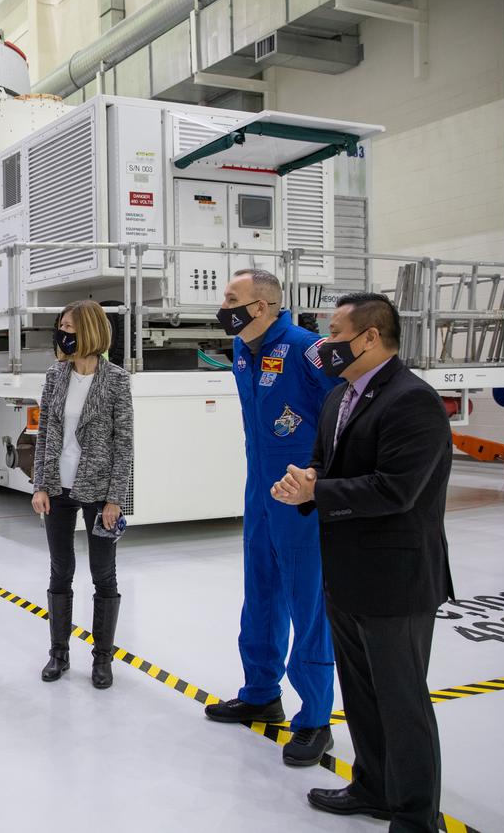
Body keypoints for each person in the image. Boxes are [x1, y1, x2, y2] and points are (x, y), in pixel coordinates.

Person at [272, 293, 453, 831]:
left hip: (395, 579)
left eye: (335, 332)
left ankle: (417, 816)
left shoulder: (412, 400)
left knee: (403, 703)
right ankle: (374, 789)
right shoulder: (339, 397)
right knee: (363, 694)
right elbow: (323, 465)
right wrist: (302, 485)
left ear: (370, 337)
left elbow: (396, 490)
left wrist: (318, 489)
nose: (325, 343)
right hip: (347, 573)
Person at [204, 268, 339, 767]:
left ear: (261, 306)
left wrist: (321, 478)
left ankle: (316, 719)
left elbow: (344, 411)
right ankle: (261, 691)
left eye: (231, 298)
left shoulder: (307, 349)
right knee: (260, 590)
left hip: (299, 495)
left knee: (307, 601)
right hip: (259, 490)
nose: (224, 306)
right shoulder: (242, 348)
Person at [30, 300, 132, 689]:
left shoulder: (117, 380)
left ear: (89, 330)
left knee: (103, 574)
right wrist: (40, 484)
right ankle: (58, 654)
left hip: (99, 490)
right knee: (61, 569)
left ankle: (102, 658)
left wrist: (115, 499)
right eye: (61, 327)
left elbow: (124, 443)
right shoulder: (55, 375)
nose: (63, 334)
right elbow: (45, 436)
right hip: (58, 488)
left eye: (69, 327)